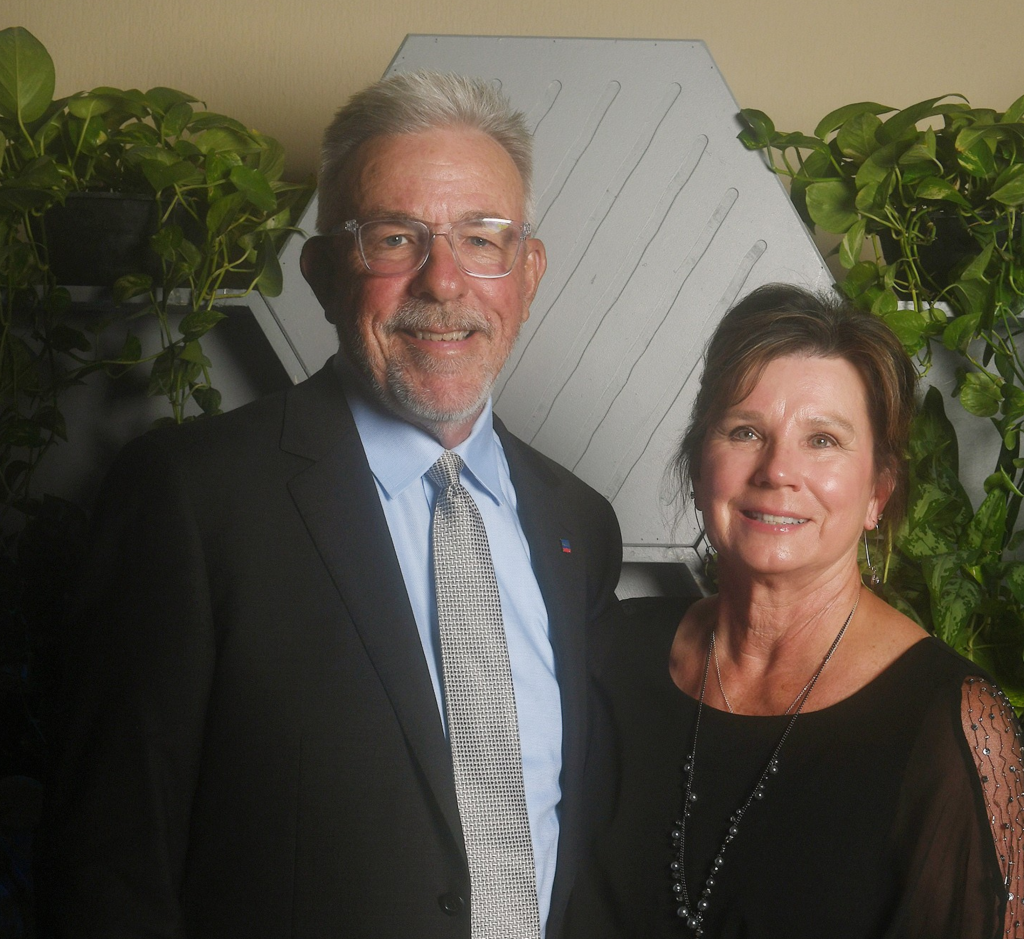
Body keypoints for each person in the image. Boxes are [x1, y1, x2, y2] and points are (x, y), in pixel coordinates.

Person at [39, 72, 621, 939]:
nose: (444, 281)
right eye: (394, 238)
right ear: (320, 273)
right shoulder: (190, 500)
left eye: (482, 238)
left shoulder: (579, 524)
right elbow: (110, 871)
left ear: (527, 272)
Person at [566, 284, 1023, 938]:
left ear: (878, 493)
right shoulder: (615, 652)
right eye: (747, 430)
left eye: (823, 439)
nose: (778, 469)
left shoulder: (949, 725)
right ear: (700, 466)